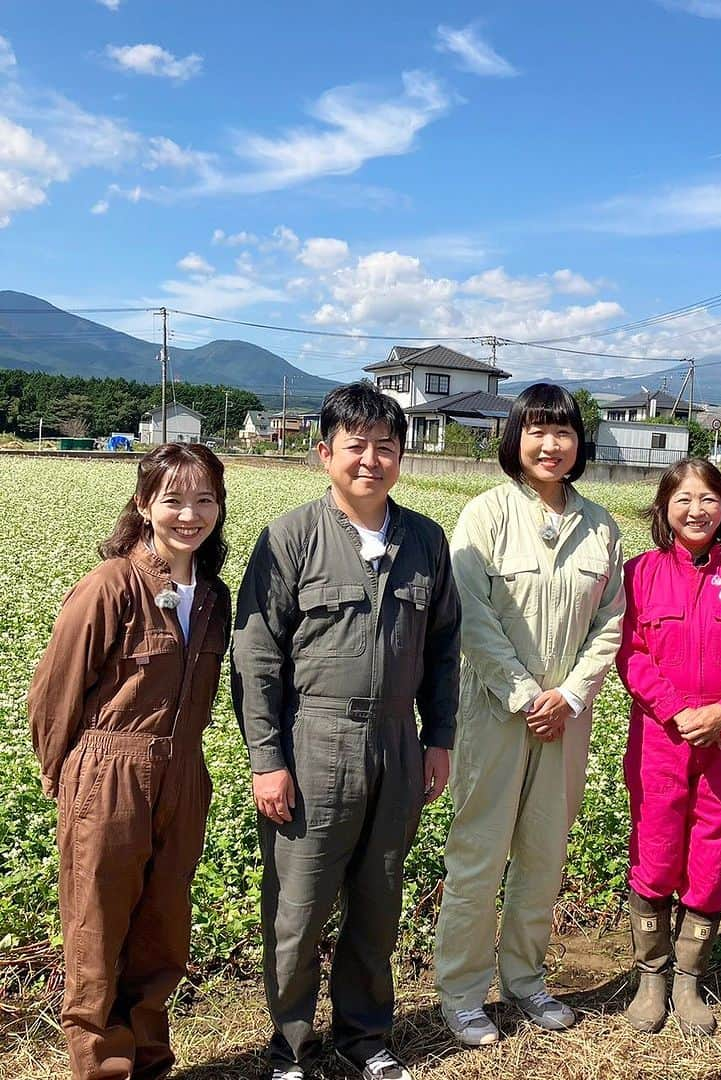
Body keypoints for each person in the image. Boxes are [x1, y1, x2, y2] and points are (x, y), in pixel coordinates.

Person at [231, 382, 461, 1080]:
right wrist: (267, 758)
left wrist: (439, 737)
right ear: (324, 452)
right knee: (298, 906)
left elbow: (445, 645)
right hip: (315, 742)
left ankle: (366, 1037)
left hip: (397, 741)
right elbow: (256, 654)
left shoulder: (425, 539)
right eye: (355, 446)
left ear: (402, 457)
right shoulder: (290, 537)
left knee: (378, 898)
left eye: (385, 447)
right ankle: (290, 1047)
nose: (371, 460)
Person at [28, 443, 232, 1080]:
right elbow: (53, 692)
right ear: (145, 505)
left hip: (182, 773)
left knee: (163, 928)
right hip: (110, 771)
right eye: (173, 499)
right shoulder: (112, 583)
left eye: (204, 500)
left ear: (220, 508)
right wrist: (64, 779)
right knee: (98, 933)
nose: (189, 514)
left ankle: (149, 1059)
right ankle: (101, 1066)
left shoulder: (215, 596)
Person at [433, 383, 625, 1046]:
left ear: (580, 442)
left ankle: (524, 979)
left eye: (564, 430)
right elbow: (471, 615)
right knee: (478, 857)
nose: (551, 444)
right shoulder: (484, 514)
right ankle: (461, 992)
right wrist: (522, 693)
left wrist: (569, 696)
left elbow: (611, 621)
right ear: (513, 438)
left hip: (566, 720)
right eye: (538, 430)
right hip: (495, 714)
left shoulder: (601, 524)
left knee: (544, 855)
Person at [616, 458, 721, 1035]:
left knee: (712, 854)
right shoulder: (640, 573)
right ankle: (651, 976)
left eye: (708, 498)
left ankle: (688, 977)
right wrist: (676, 710)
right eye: (683, 498)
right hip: (661, 737)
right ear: (664, 509)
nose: (696, 510)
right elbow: (629, 652)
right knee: (656, 851)